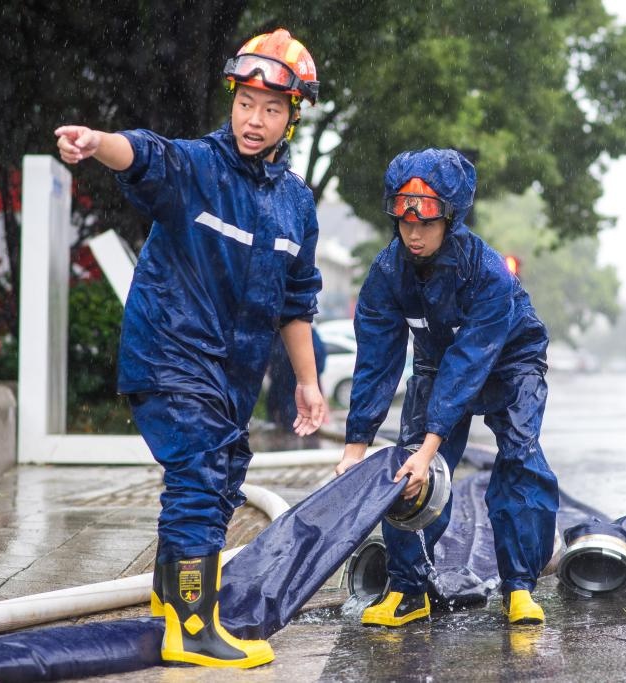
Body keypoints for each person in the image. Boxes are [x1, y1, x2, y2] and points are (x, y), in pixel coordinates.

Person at [54, 28, 325, 669]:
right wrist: (98, 144)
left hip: (228, 373)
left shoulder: (295, 204)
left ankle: (168, 601)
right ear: (231, 101)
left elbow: (296, 301)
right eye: (245, 104)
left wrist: (309, 383)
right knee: (203, 472)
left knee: (220, 472)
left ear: (292, 118)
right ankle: (192, 625)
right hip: (170, 352)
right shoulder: (198, 169)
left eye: (271, 109)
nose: (254, 120)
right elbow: (146, 155)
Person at [335, 148, 560, 627]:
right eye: (404, 222)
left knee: (520, 458)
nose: (413, 234)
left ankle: (519, 587)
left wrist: (432, 445)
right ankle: (409, 589)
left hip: (509, 362)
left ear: (451, 218)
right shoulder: (386, 273)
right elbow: (376, 360)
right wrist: (354, 449)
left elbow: (470, 363)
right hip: (438, 363)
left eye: (427, 223)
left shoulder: (488, 273)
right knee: (409, 471)